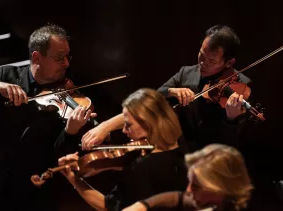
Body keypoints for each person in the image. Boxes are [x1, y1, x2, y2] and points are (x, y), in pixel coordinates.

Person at [0, 23, 95, 211]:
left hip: (34, 193)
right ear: (37, 57)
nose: (66, 63)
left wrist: (70, 131)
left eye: (68, 57)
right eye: (59, 58)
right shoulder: (7, 76)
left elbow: (58, 158)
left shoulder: (70, 95)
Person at [81, 24, 251, 152]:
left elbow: (232, 145)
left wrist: (230, 119)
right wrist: (171, 91)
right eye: (201, 54)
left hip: (214, 160)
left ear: (229, 62)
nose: (202, 63)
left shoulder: (241, 86)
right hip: (179, 153)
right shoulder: (187, 73)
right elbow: (151, 99)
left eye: (211, 61)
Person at [58, 88, 188, 211]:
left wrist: (75, 180)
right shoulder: (181, 149)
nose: (124, 130)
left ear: (148, 123)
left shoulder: (141, 167)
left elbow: (108, 206)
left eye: (128, 124)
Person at [122, 143, 254, 211]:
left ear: (219, 188)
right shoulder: (212, 200)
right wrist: (142, 205)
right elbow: (178, 198)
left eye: (196, 186)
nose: (188, 190)